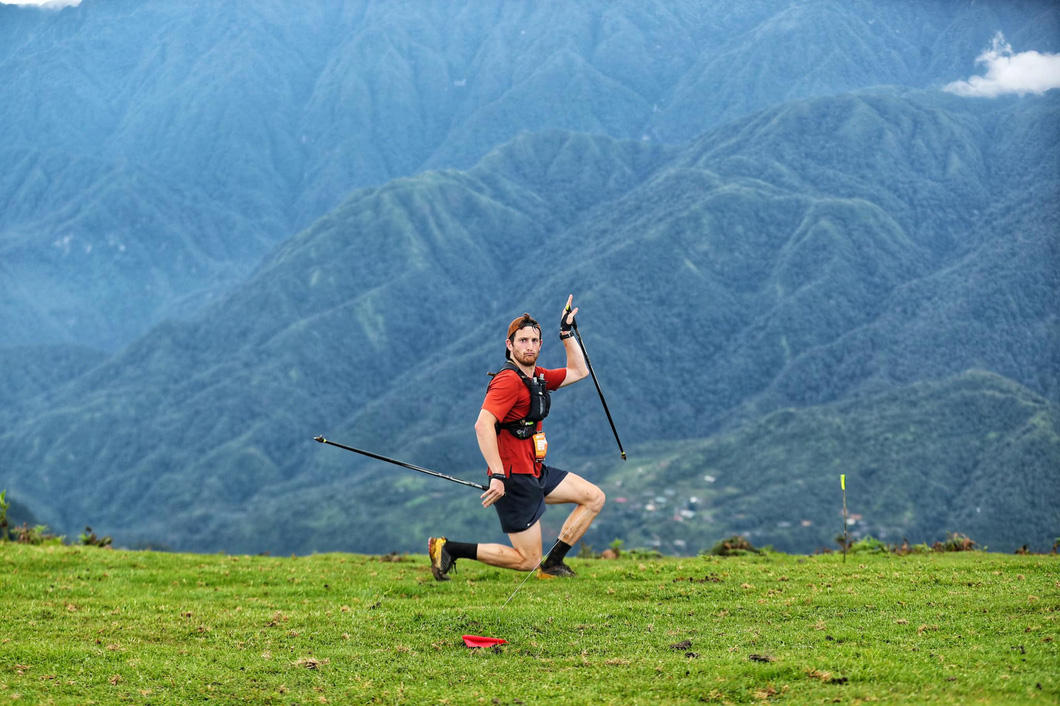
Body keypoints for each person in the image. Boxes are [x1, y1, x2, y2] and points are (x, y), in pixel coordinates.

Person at [428, 295, 606, 580]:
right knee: (527, 561)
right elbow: (483, 425)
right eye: (523, 341)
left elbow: (579, 371)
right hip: (513, 478)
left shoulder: (538, 376)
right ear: (510, 345)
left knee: (593, 498)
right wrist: (497, 475)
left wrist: (566, 333)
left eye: (535, 341)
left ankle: (553, 563)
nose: (530, 346)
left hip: (535, 470)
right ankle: (448, 549)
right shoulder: (507, 380)